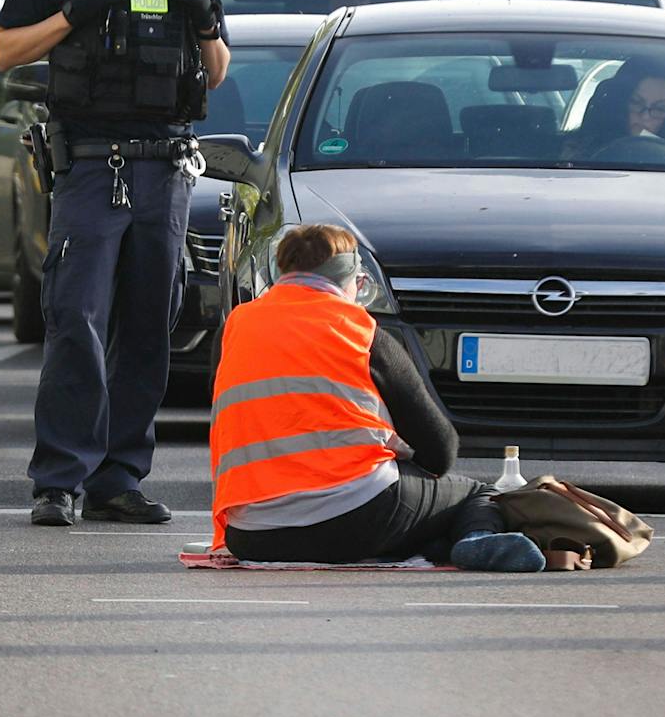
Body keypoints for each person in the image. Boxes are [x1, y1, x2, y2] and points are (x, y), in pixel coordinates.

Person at [0, 0, 231, 527]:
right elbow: (4, 51)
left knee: (149, 327)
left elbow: (217, 74)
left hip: (166, 168)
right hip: (94, 165)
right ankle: (59, 480)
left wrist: (207, 25)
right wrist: (70, 14)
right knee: (76, 322)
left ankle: (119, 478)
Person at [211, 223, 547, 570]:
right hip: (357, 519)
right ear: (353, 280)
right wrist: (392, 442)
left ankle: (434, 544)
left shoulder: (234, 327)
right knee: (476, 493)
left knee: (410, 522)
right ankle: (475, 540)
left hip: (251, 533)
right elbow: (440, 452)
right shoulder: (362, 331)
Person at [567, 57, 665, 166]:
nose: (645, 117)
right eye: (636, 103)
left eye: (659, 109)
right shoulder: (583, 145)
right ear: (619, 103)